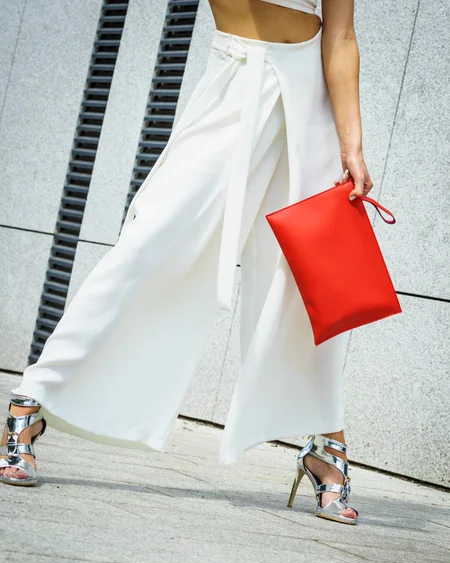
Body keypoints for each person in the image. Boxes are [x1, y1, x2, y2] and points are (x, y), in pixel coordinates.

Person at [1, 0, 372, 525]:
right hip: (233, 83)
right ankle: (32, 400)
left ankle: (326, 444)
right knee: (150, 242)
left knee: (306, 280)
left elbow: (340, 36)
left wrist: (351, 144)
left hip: (309, 103)